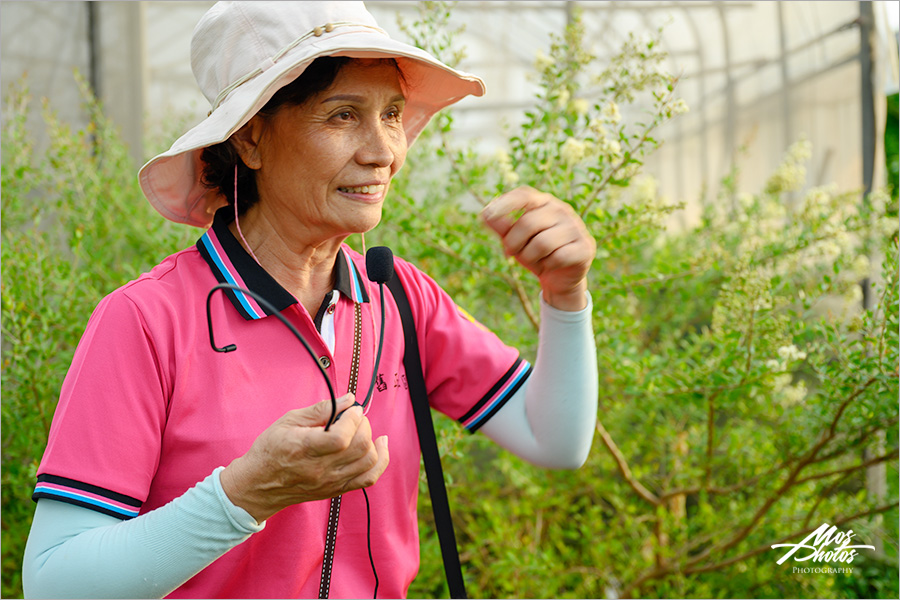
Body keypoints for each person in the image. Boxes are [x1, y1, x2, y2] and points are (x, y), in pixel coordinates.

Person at [22, 2, 598, 598]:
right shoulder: (148, 321)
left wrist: (566, 295)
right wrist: (244, 493)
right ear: (250, 138)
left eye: (393, 114)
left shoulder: (397, 297)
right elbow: (55, 582)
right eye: (344, 115)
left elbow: (553, 436)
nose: (383, 152)